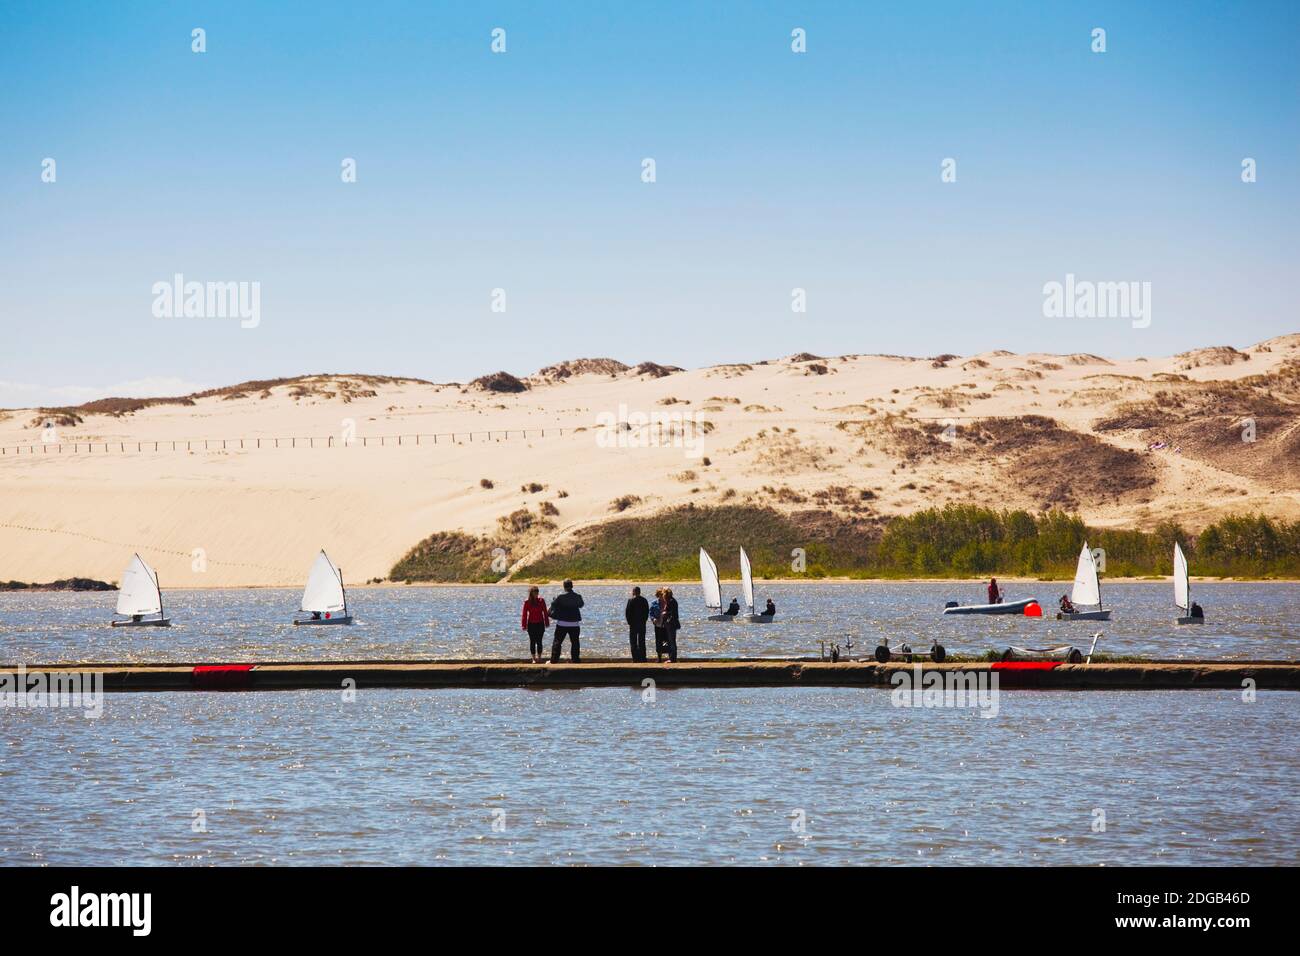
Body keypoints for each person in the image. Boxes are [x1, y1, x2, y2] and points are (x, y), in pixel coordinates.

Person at [548, 579, 584, 662]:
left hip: (562, 623)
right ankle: (575, 660)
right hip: (575, 624)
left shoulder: (559, 596)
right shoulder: (578, 596)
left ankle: (553, 660)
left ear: (564, 586)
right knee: (575, 643)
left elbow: (553, 605)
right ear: (572, 586)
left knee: (557, 641)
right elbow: (581, 605)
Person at [520, 586, 550, 663]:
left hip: (540, 623)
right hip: (531, 624)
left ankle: (539, 658)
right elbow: (524, 614)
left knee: (539, 641)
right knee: (532, 641)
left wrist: (547, 622)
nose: (536, 594)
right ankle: (533, 658)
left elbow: (545, 613)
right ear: (531, 593)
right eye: (535, 592)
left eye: (537, 592)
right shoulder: (527, 602)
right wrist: (524, 625)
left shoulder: (541, 600)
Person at [625, 586, 650, 662]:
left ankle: (635, 658)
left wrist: (629, 622)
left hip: (633, 624)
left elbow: (627, 612)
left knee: (633, 642)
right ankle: (643, 658)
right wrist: (644, 621)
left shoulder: (631, 600)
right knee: (642, 641)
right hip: (642, 623)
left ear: (634, 592)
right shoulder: (644, 600)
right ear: (639, 592)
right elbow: (647, 612)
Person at [660, 587, 680, 663]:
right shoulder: (671, 601)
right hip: (671, 624)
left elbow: (673, 613)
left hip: (671, 624)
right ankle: (672, 658)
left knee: (672, 641)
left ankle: (672, 659)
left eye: (663, 594)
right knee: (671, 641)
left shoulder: (671, 601)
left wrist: (665, 613)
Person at [650, 590, 665, 660]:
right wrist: (653, 619)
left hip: (666, 625)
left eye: (662, 594)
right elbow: (651, 614)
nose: (662, 596)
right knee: (658, 641)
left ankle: (669, 656)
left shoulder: (667, 602)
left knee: (666, 641)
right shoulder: (654, 603)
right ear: (658, 595)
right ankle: (659, 657)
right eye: (660, 594)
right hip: (657, 625)